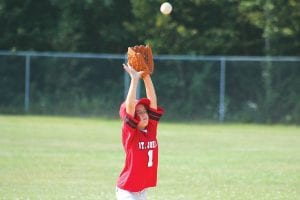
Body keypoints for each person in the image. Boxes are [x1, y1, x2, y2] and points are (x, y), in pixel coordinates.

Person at [116, 63, 164, 200]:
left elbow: (152, 101)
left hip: (142, 191)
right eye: (139, 113)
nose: (144, 115)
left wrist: (146, 76)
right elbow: (130, 106)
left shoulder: (151, 130)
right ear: (132, 118)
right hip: (127, 190)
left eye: (144, 111)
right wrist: (135, 79)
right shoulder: (130, 134)